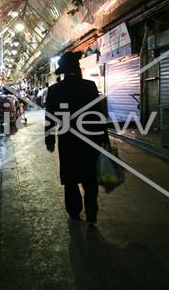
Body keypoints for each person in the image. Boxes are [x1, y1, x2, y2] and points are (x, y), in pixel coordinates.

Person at [45, 51, 109, 223]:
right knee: (90, 175)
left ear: (63, 71)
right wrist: (105, 138)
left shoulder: (54, 90)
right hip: (91, 137)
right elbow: (99, 114)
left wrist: (49, 137)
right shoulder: (89, 86)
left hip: (68, 138)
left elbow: (50, 116)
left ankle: (74, 210)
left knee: (70, 176)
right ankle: (91, 209)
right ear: (78, 68)